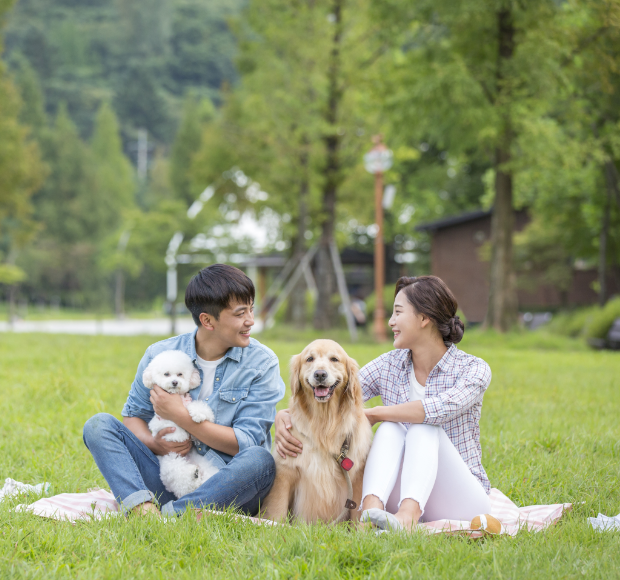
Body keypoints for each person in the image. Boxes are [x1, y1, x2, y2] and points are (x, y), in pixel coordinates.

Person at [275, 275, 492, 531]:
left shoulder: (473, 369)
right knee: (390, 428)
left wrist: (377, 413)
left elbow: (439, 409)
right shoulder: (390, 363)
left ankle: (407, 519)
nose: (390, 321)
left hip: (462, 499)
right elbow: (340, 389)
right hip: (403, 490)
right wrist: (285, 416)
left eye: (398, 313)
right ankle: (371, 512)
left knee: (419, 426)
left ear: (424, 319)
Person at [83, 264, 286, 518]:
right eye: (240, 313)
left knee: (260, 460)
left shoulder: (262, 363)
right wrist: (154, 443)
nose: (251, 321)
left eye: (251, 309)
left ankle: (168, 515)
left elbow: (245, 443)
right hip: (167, 477)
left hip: (226, 488)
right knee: (98, 425)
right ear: (207, 320)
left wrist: (182, 417)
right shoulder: (159, 354)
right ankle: (143, 507)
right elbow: (133, 416)